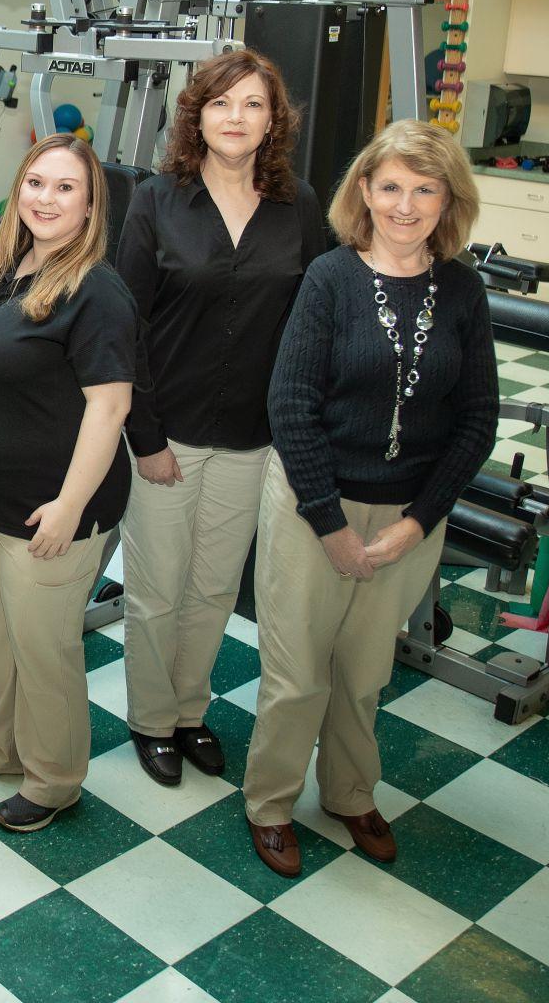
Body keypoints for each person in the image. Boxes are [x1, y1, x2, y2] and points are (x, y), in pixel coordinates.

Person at [243, 118, 497, 877]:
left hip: (408, 518)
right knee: (297, 675)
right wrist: (330, 526)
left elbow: (478, 417)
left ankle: (351, 793)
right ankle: (271, 804)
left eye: (426, 189)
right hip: (311, 507)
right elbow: (290, 406)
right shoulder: (330, 279)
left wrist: (417, 524)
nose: (406, 205)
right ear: (365, 191)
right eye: (391, 187)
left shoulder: (462, 290)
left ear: (450, 199)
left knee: (364, 675)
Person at [115, 50, 326, 788]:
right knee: (156, 588)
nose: (236, 118)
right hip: (165, 430)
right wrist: (143, 437)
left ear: (274, 121)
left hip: (251, 436)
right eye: (222, 104)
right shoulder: (157, 201)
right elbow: (126, 325)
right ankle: (148, 719)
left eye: (253, 106)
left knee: (210, 588)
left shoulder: (298, 205)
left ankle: (187, 711)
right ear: (197, 115)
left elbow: (313, 321)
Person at [0, 134, 141, 833]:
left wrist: (71, 506)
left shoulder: (96, 292)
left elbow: (110, 407)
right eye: (35, 183)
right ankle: (3, 742)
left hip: (53, 509)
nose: (45, 199)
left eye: (65, 189)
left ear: (89, 209)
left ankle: (55, 778)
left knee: (43, 648)